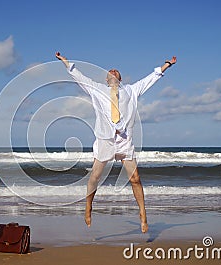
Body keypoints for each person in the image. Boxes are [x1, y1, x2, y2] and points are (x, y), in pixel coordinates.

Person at [55, 51, 177, 233]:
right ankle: (88, 206)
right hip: (105, 140)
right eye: (110, 71)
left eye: (116, 71)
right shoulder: (97, 89)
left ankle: (143, 214)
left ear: (119, 78)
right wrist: (65, 62)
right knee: (95, 178)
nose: (113, 71)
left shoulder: (131, 90)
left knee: (135, 179)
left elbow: (150, 79)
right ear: (106, 79)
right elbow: (79, 77)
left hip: (124, 141)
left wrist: (167, 64)